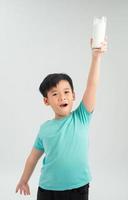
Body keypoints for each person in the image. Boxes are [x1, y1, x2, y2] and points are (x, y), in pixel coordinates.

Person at [15, 38, 107, 200]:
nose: (62, 97)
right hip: (47, 190)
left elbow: (92, 85)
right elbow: (33, 158)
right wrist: (24, 179)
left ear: (74, 96)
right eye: (55, 94)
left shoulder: (81, 117)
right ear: (46, 101)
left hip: (78, 189)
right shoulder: (45, 128)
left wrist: (96, 57)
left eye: (66, 92)